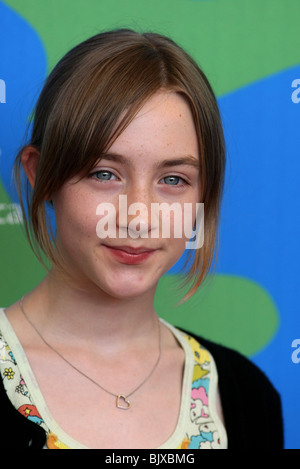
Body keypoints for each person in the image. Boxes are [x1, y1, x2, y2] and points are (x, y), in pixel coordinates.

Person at [0, 29, 283, 449]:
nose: (139, 217)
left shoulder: (247, 395)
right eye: (104, 174)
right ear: (40, 175)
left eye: (173, 179)